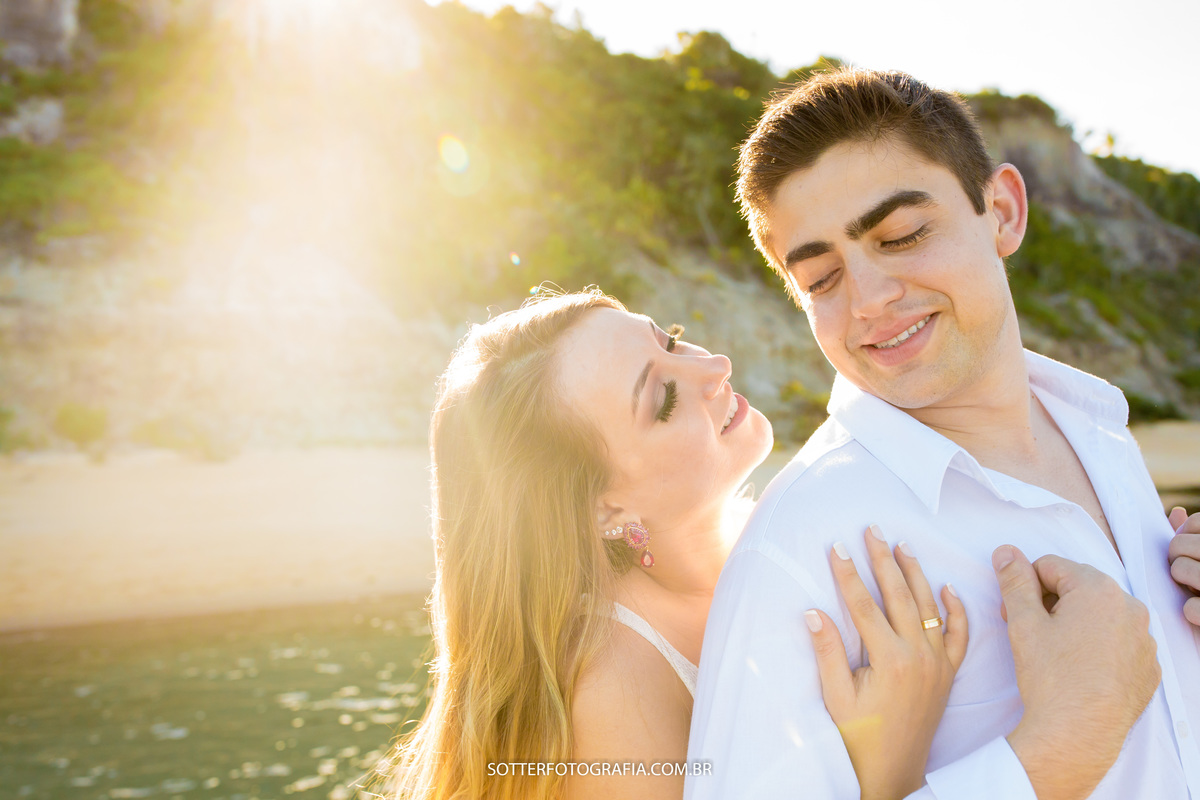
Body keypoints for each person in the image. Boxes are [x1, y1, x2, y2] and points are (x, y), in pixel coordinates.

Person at [384, 288, 1155, 800]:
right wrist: (887, 768)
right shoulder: (612, 678)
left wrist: (1154, 554)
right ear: (602, 507)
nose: (711, 367)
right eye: (662, 398)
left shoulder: (784, 539)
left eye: (673, 341)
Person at [685, 68, 1200, 799]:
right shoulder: (804, 550)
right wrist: (1048, 756)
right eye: (822, 280)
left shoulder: (1103, 437)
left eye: (902, 236)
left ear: (1003, 212)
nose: (869, 300)